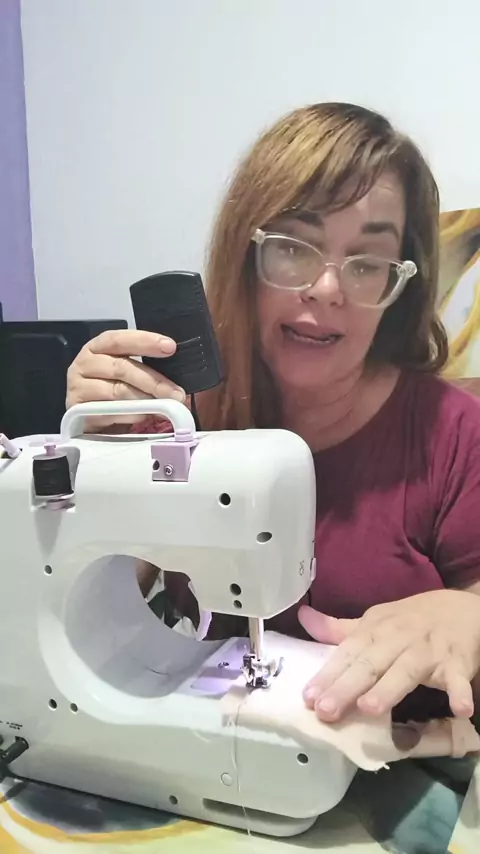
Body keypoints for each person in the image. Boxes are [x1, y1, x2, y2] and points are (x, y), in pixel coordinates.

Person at [66, 102, 480, 731]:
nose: (327, 289)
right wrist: (94, 470)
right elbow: (103, 589)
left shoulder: (454, 435)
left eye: (367, 263)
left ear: (398, 288)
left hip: (399, 763)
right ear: (245, 256)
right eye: (293, 248)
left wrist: (466, 615)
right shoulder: (181, 415)